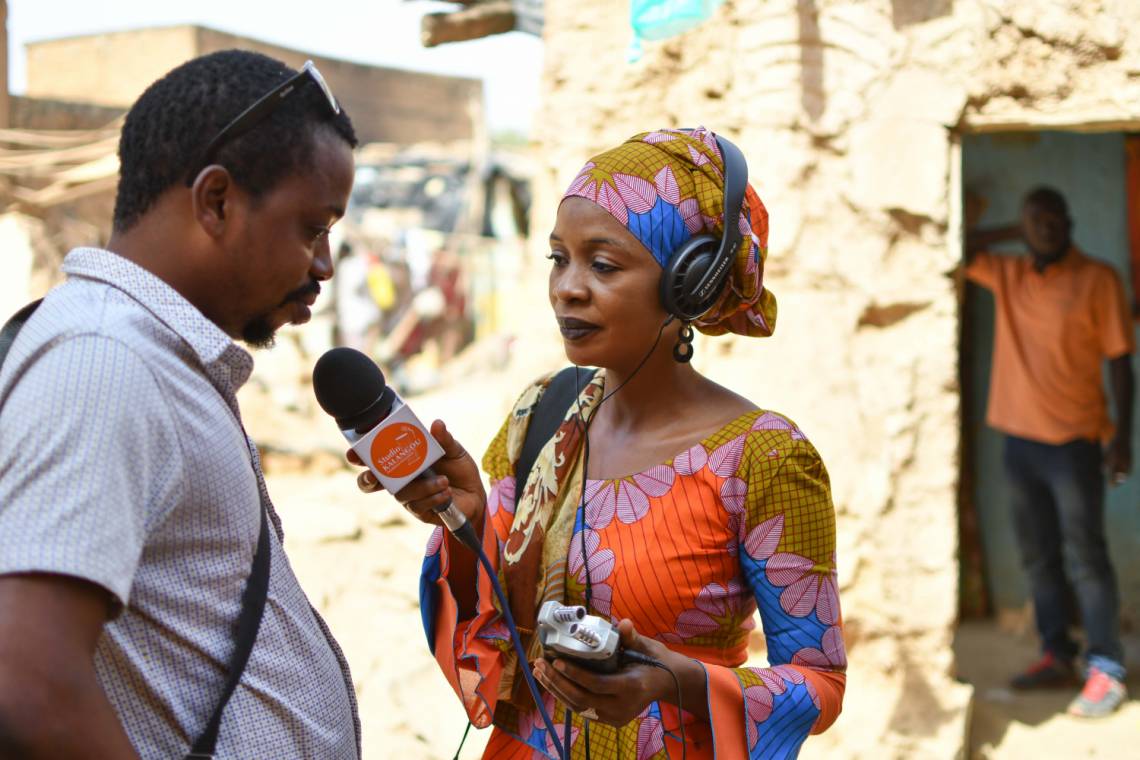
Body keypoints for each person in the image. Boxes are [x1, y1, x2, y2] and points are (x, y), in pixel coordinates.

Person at [357, 127, 846, 757]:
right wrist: (465, 516)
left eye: (604, 263)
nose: (568, 287)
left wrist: (679, 682)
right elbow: (498, 618)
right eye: (558, 258)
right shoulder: (542, 414)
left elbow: (821, 683)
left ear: (687, 285)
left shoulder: (763, 458)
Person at [0, 51, 361, 757]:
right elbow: (27, 683)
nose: (323, 265)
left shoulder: (150, 356)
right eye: (313, 229)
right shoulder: (103, 359)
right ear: (217, 200)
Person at [965, 186, 1135, 718]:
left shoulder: (1099, 278)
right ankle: (1056, 655)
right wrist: (1018, 229)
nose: (1047, 228)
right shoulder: (1009, 273)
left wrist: (1121, 440)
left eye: (1054, 219)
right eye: (1036, 221)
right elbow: (960, 248)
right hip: (1019, 444)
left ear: (1070, 222)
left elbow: (1120, 363)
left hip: (1076, 444)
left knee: (1086, 557)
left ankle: (1106, 667)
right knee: (1039, 557)